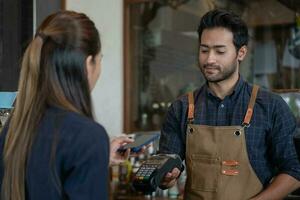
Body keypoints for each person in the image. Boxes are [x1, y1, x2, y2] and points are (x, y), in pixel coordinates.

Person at [159, 9, 300, 199]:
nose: (209, 59)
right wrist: (166, 177)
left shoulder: (271, 106)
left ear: (241, 53)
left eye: (220, 51)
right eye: (204, 50)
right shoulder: (181, 108)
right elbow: (167, 166)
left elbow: (294, 170)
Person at [0, 11, 133, 200]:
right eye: (99, 58)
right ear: (88, 64)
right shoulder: (87, 136)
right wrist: (93, 151)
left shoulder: (14, 127)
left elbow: (41, 176)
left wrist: (98, 157)